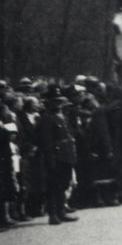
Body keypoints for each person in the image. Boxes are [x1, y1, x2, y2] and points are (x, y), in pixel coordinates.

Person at [37, 85, 78, 225]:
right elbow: (46, 141)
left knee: (64, 184)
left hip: (66, 156)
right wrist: (51, 159)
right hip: (56, 156)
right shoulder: (46, 118)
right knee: (54, 186)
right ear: (48, 103)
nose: (58, 104)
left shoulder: (63, 116)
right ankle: (53, 214)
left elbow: (70, 135)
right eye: (55, 101)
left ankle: (61, 211)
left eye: (59, 101)